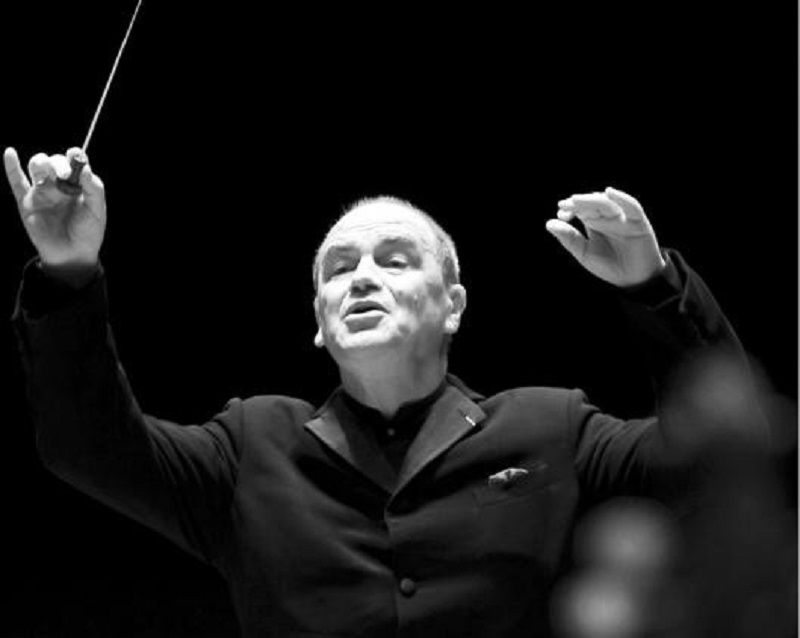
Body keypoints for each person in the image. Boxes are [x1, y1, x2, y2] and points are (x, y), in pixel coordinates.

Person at [5, 146, 764, 638]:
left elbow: (726, 449)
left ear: (454, 305)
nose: (362, 277)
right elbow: (86, 447)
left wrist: (654, 288)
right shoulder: (251, 447)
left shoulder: (553, 428)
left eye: (396, 260)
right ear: (319, 323)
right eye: (339, 269)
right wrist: (69, 272)